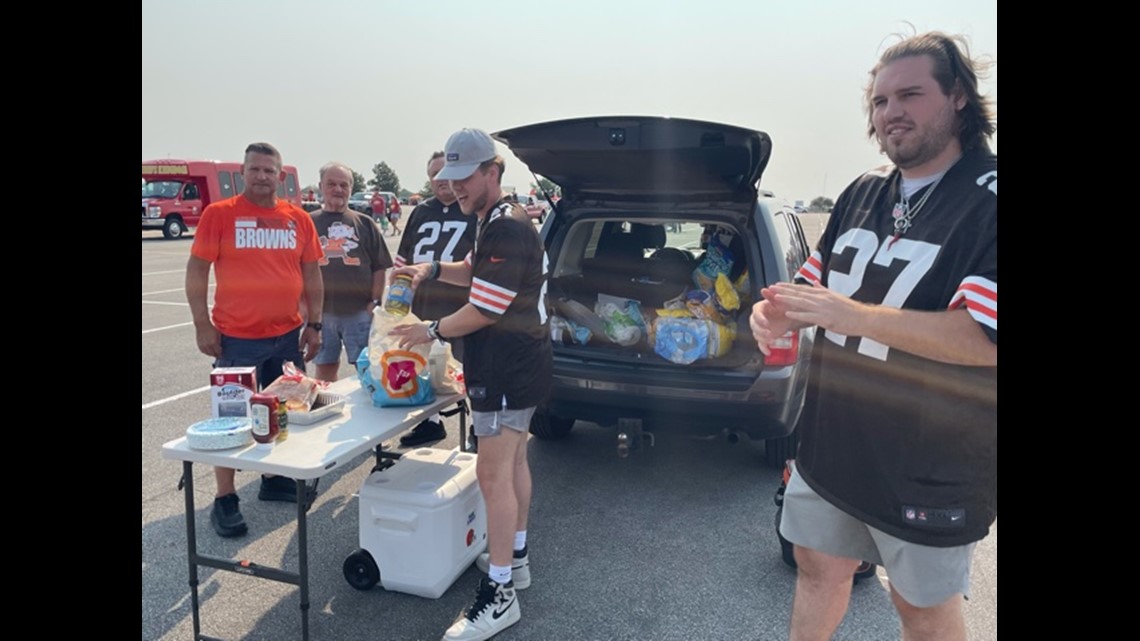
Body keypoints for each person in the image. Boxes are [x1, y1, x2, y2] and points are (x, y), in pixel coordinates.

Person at [750, 32, 996, 641]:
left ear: (959, 97)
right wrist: (772, 315)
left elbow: (983, 339)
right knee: (817, 570)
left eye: (911, 94)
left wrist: (849, 314)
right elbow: (807, 293)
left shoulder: (988, 199)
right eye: (881, 101)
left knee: (921, 608)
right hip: (832, 443)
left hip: (931, 461)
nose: (892, 113)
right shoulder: (863, 191)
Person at [389, 128, 551, 641]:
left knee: (492, 475)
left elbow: (485, 308)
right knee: (514, 464)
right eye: (446, 178)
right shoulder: (493, 219)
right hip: (517, 364)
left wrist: (429, 330)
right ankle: (516, 559)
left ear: (492, 172)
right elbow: (472, 274)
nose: (454, 187)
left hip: (506, 367)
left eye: (463, 178)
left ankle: (500, 594)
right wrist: (431, 267)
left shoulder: (505, 228)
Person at [185, 142, 326, 538]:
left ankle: (273, 476)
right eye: (255, 169)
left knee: (284, 410)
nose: (262, 176)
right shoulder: (220, 215)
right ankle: (225, 499)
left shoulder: (298, 219)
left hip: (286, 337)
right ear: (243, 173)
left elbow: (312, 274)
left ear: (280, 176)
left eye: (269, 171)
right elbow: (197, 272)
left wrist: (314, 324)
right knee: (229, 419)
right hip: (236, 339)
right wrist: (201, 324)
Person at [393, 151, 477, 447]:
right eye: (434, 175)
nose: (441, 180)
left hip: (462, 306)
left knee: (469, 367)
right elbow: (403, 259)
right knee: (423, 366)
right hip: (423, 304)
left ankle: (478, 428)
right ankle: (430, 423)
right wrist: (396, 301)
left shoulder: (472, 209)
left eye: (445, 173)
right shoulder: (420, 211)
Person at [310, 162, 393, 382]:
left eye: (343, 185)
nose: (338, 189)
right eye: (331, 184)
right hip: (321, 313)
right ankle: (328, 411)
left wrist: (375, 302)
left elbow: (379, 266)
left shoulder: (364, 223)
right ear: (321, 186)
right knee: (325, 368)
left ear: (350, 189)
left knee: (366, 368)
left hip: (359, 312)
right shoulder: (308, 222)